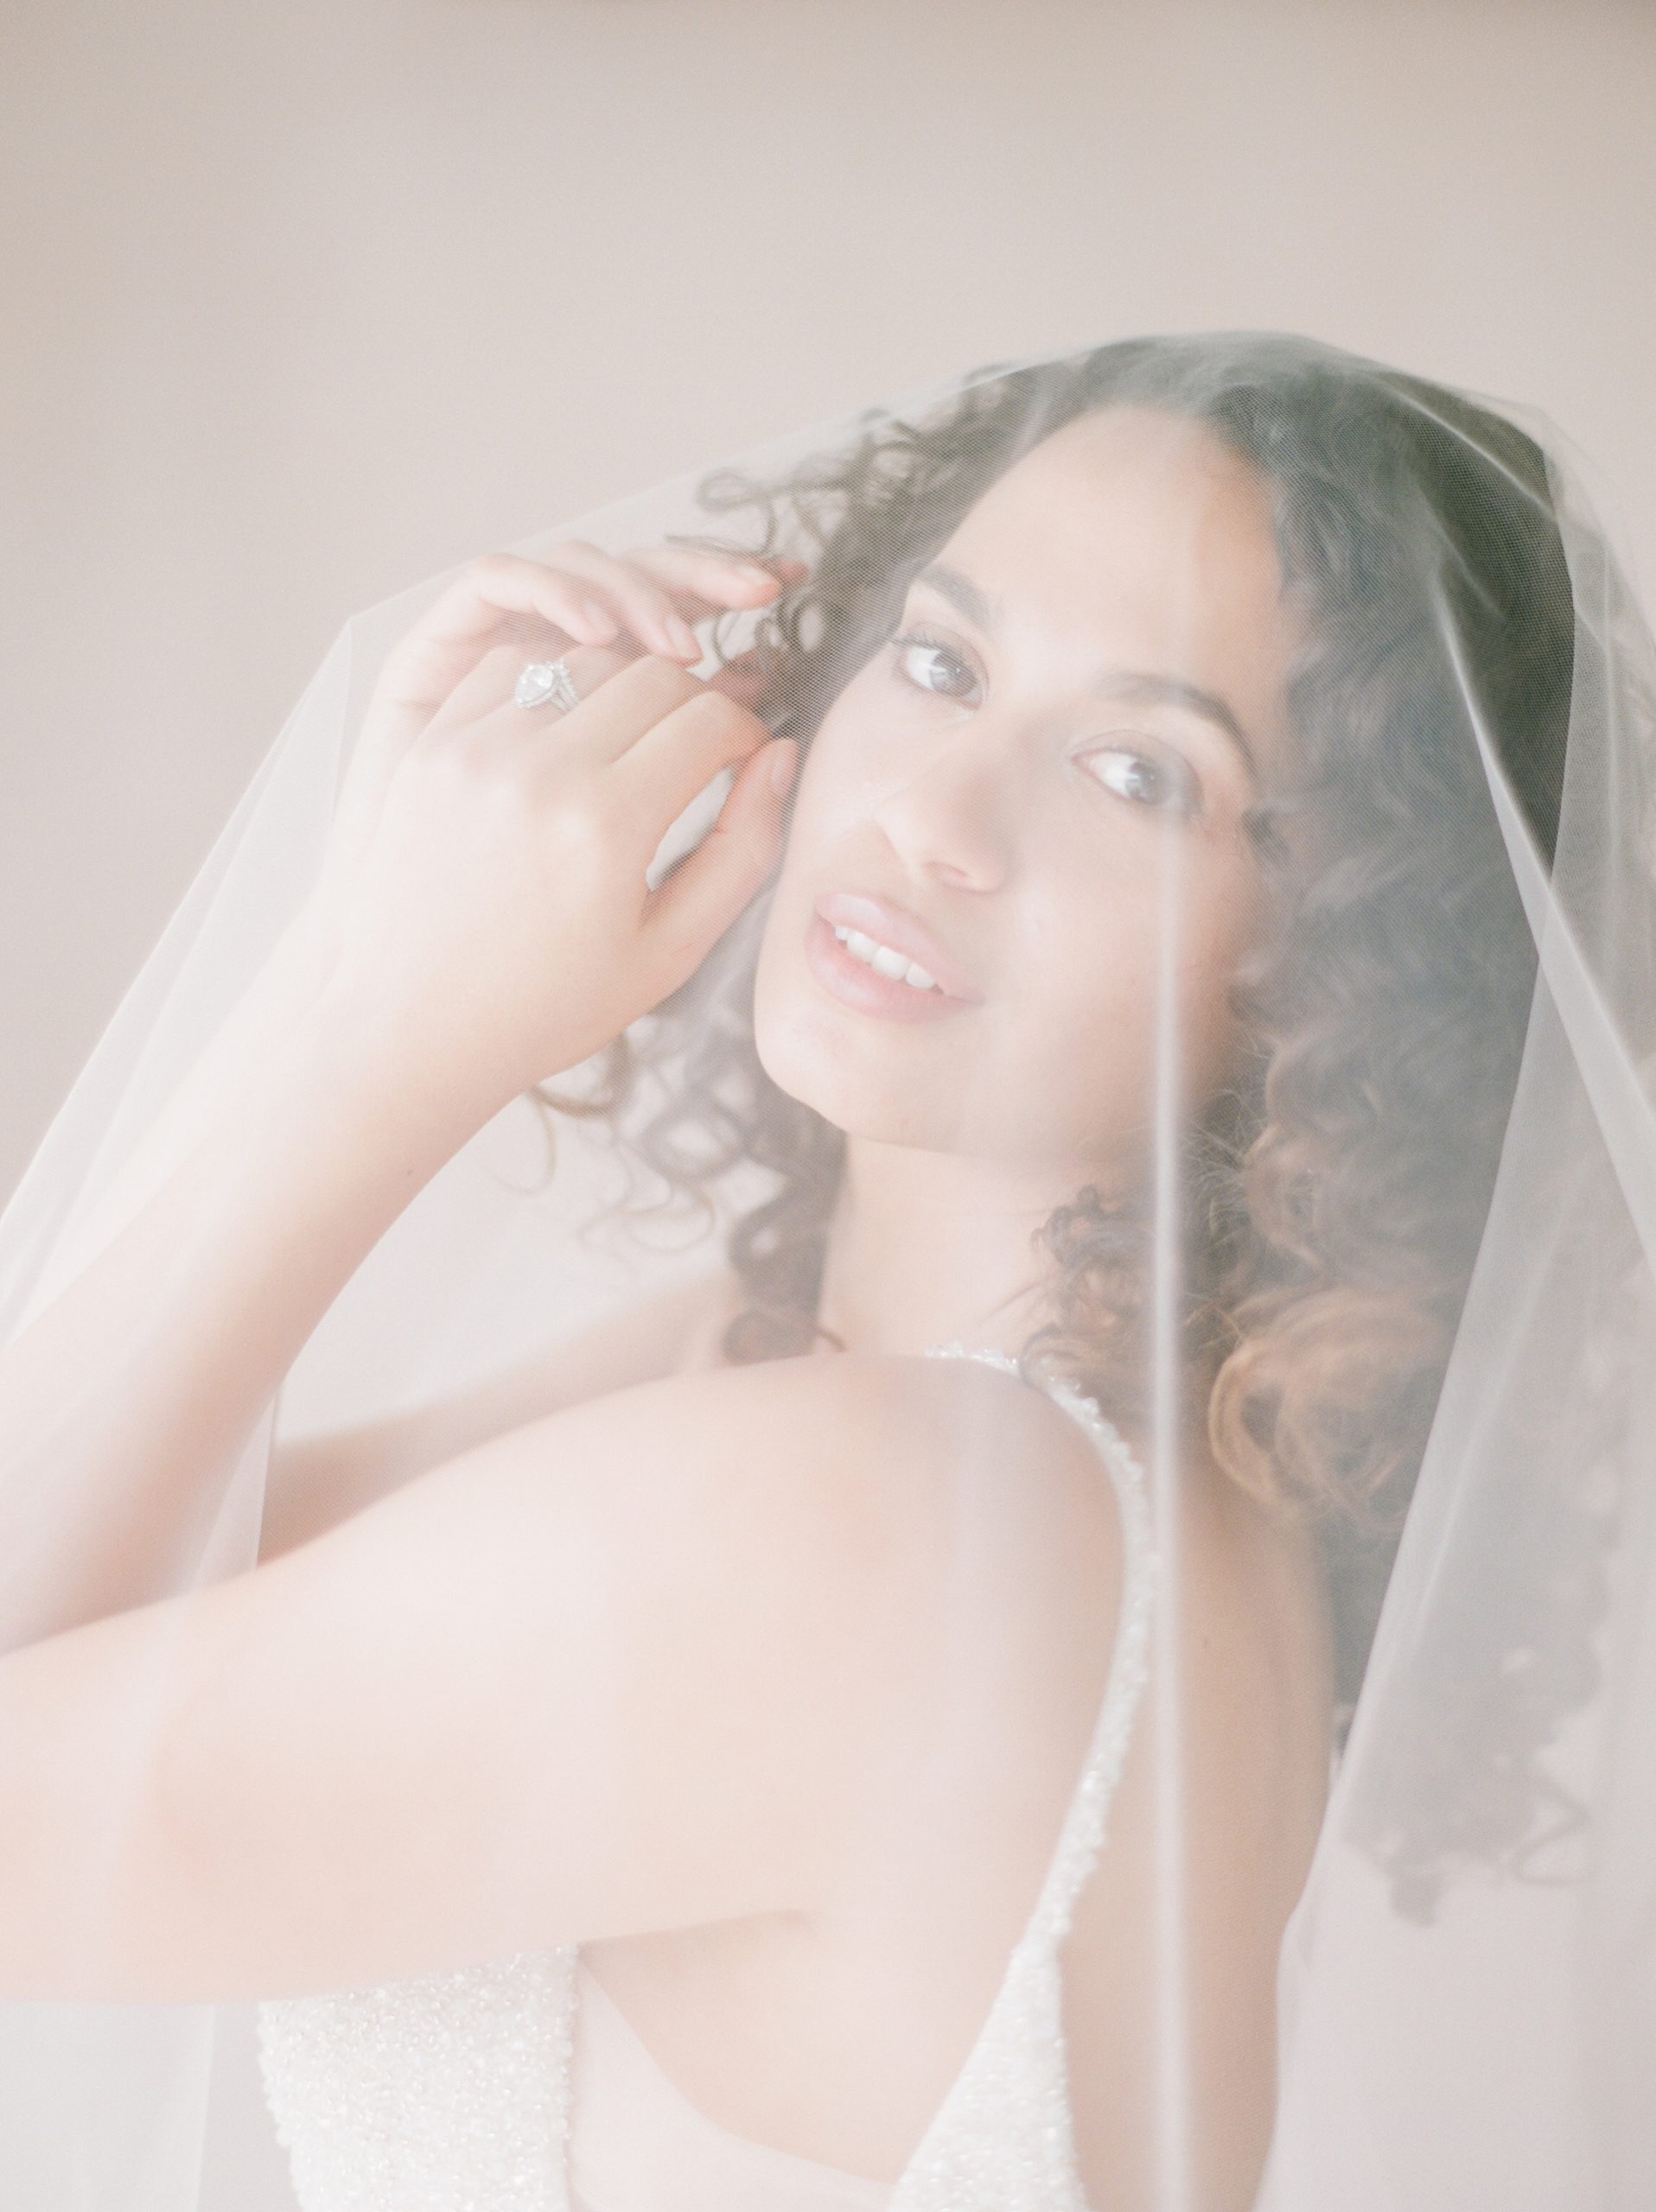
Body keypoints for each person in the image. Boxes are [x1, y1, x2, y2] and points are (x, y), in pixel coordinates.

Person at [0, 333, 1649, 2212]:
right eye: (937, 664)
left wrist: (373, 1013)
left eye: (1136, 771)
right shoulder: (930, 1432)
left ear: (1348, 967)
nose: (933, 817)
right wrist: (360, 963)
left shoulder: (893, 1526)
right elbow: (98, 1593)